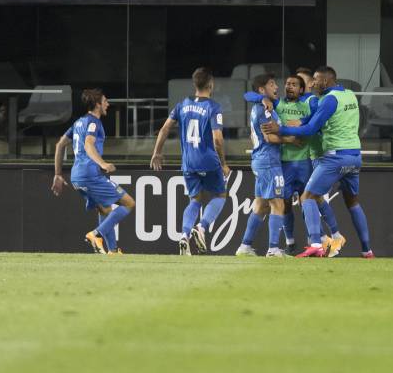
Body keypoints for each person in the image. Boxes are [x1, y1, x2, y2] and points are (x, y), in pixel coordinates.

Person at [261, 66, 374, 258]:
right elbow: (321, 118)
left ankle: (316, 243)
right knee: (353, 201)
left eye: (315, 80)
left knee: (307, 197)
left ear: (325, 81)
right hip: (355, 155)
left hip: (335, 156)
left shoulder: (328, 99)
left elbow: (311, 129)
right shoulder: (349, 95)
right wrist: (301, 122)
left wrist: (281, 130)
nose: (312, 83)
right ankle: (367, 250)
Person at [245, 73, 346, 256]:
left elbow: (318, 118)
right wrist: (261, 97)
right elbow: (248, 95)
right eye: (287, 84)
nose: (289, 87)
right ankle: (291, 241)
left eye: (294, 84)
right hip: (283, 163)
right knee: (283, 203)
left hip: (304, 161)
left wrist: (303, 124)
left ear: (302, 89)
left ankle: (326, 236)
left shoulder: (309, 102)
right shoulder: (276, 103)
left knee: (313, 198)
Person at [151, 67, 229, 256]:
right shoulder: (213, 107)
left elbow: (164, 129)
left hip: (188, 162)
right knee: (220, 196)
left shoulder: (182, 105)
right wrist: (224, 163)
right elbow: (217, 138)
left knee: (194, 199)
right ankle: (201, 228)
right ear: (211, 84)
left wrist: (156, 153)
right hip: (209, 161)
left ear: (195, 84)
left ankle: (184, 235)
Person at [52, 88, 134, 255]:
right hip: (90, 174)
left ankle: (113, 250)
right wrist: (102, 163)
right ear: (97, 104)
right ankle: (96, 234)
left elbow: (60, 145)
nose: (107, 104)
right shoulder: (94, 122)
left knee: (105, 209)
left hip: (77, 177)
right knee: (129, 203)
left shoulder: (78, 123)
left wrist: (58, 174)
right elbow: (88, 144)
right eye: (105, 101)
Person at [236, 73, 295, 257]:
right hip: (268, 160)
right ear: (262, 89)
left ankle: (244, 247)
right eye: (272, 84)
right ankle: (273, 248)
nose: (276, 87)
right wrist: (290, 139)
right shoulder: (263, 109)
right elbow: (269, 137)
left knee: (261, 205)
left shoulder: (262, 105)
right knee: (278, 203)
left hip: (262, 160)